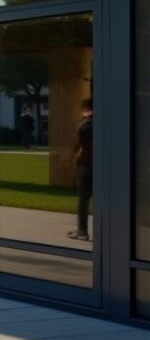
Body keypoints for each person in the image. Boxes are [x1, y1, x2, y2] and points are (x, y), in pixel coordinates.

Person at [69, 98, 94, 241]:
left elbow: (79, 147)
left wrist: (76, 159)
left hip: (86, 165)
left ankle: (82, 230)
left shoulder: (84, 125)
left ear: (85, 108)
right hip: (101, 166)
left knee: (83, 199)